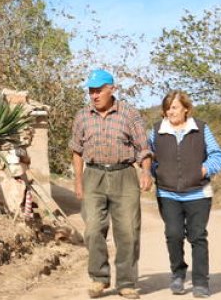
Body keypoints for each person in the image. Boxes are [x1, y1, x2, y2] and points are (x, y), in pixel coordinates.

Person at [70, 68, 153, 299]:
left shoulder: (129, 114)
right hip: (93, 176)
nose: (94, 96)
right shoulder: (82, 116)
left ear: (112, 89)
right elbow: (76, 150)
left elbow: (143, 148)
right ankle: (99, 278)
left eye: (98, 91)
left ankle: (126, 282)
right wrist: (78, 181)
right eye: (91, 92)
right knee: (94, 229)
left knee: (128, 231)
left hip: (124, 175)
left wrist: (146, 172)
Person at [148, 90, 221, 298]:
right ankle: (178, 274)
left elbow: (217, 154)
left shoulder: (200, 128)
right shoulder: (156, 131)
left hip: (198, 193)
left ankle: (201, 282)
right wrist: (156, 170)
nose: (169, 111)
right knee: (173, 234)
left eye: (173, 107)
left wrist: (204, 169)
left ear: (185, 108)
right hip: (167, 193)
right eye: (167, 107)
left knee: (197, 236)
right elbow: (147, 155)